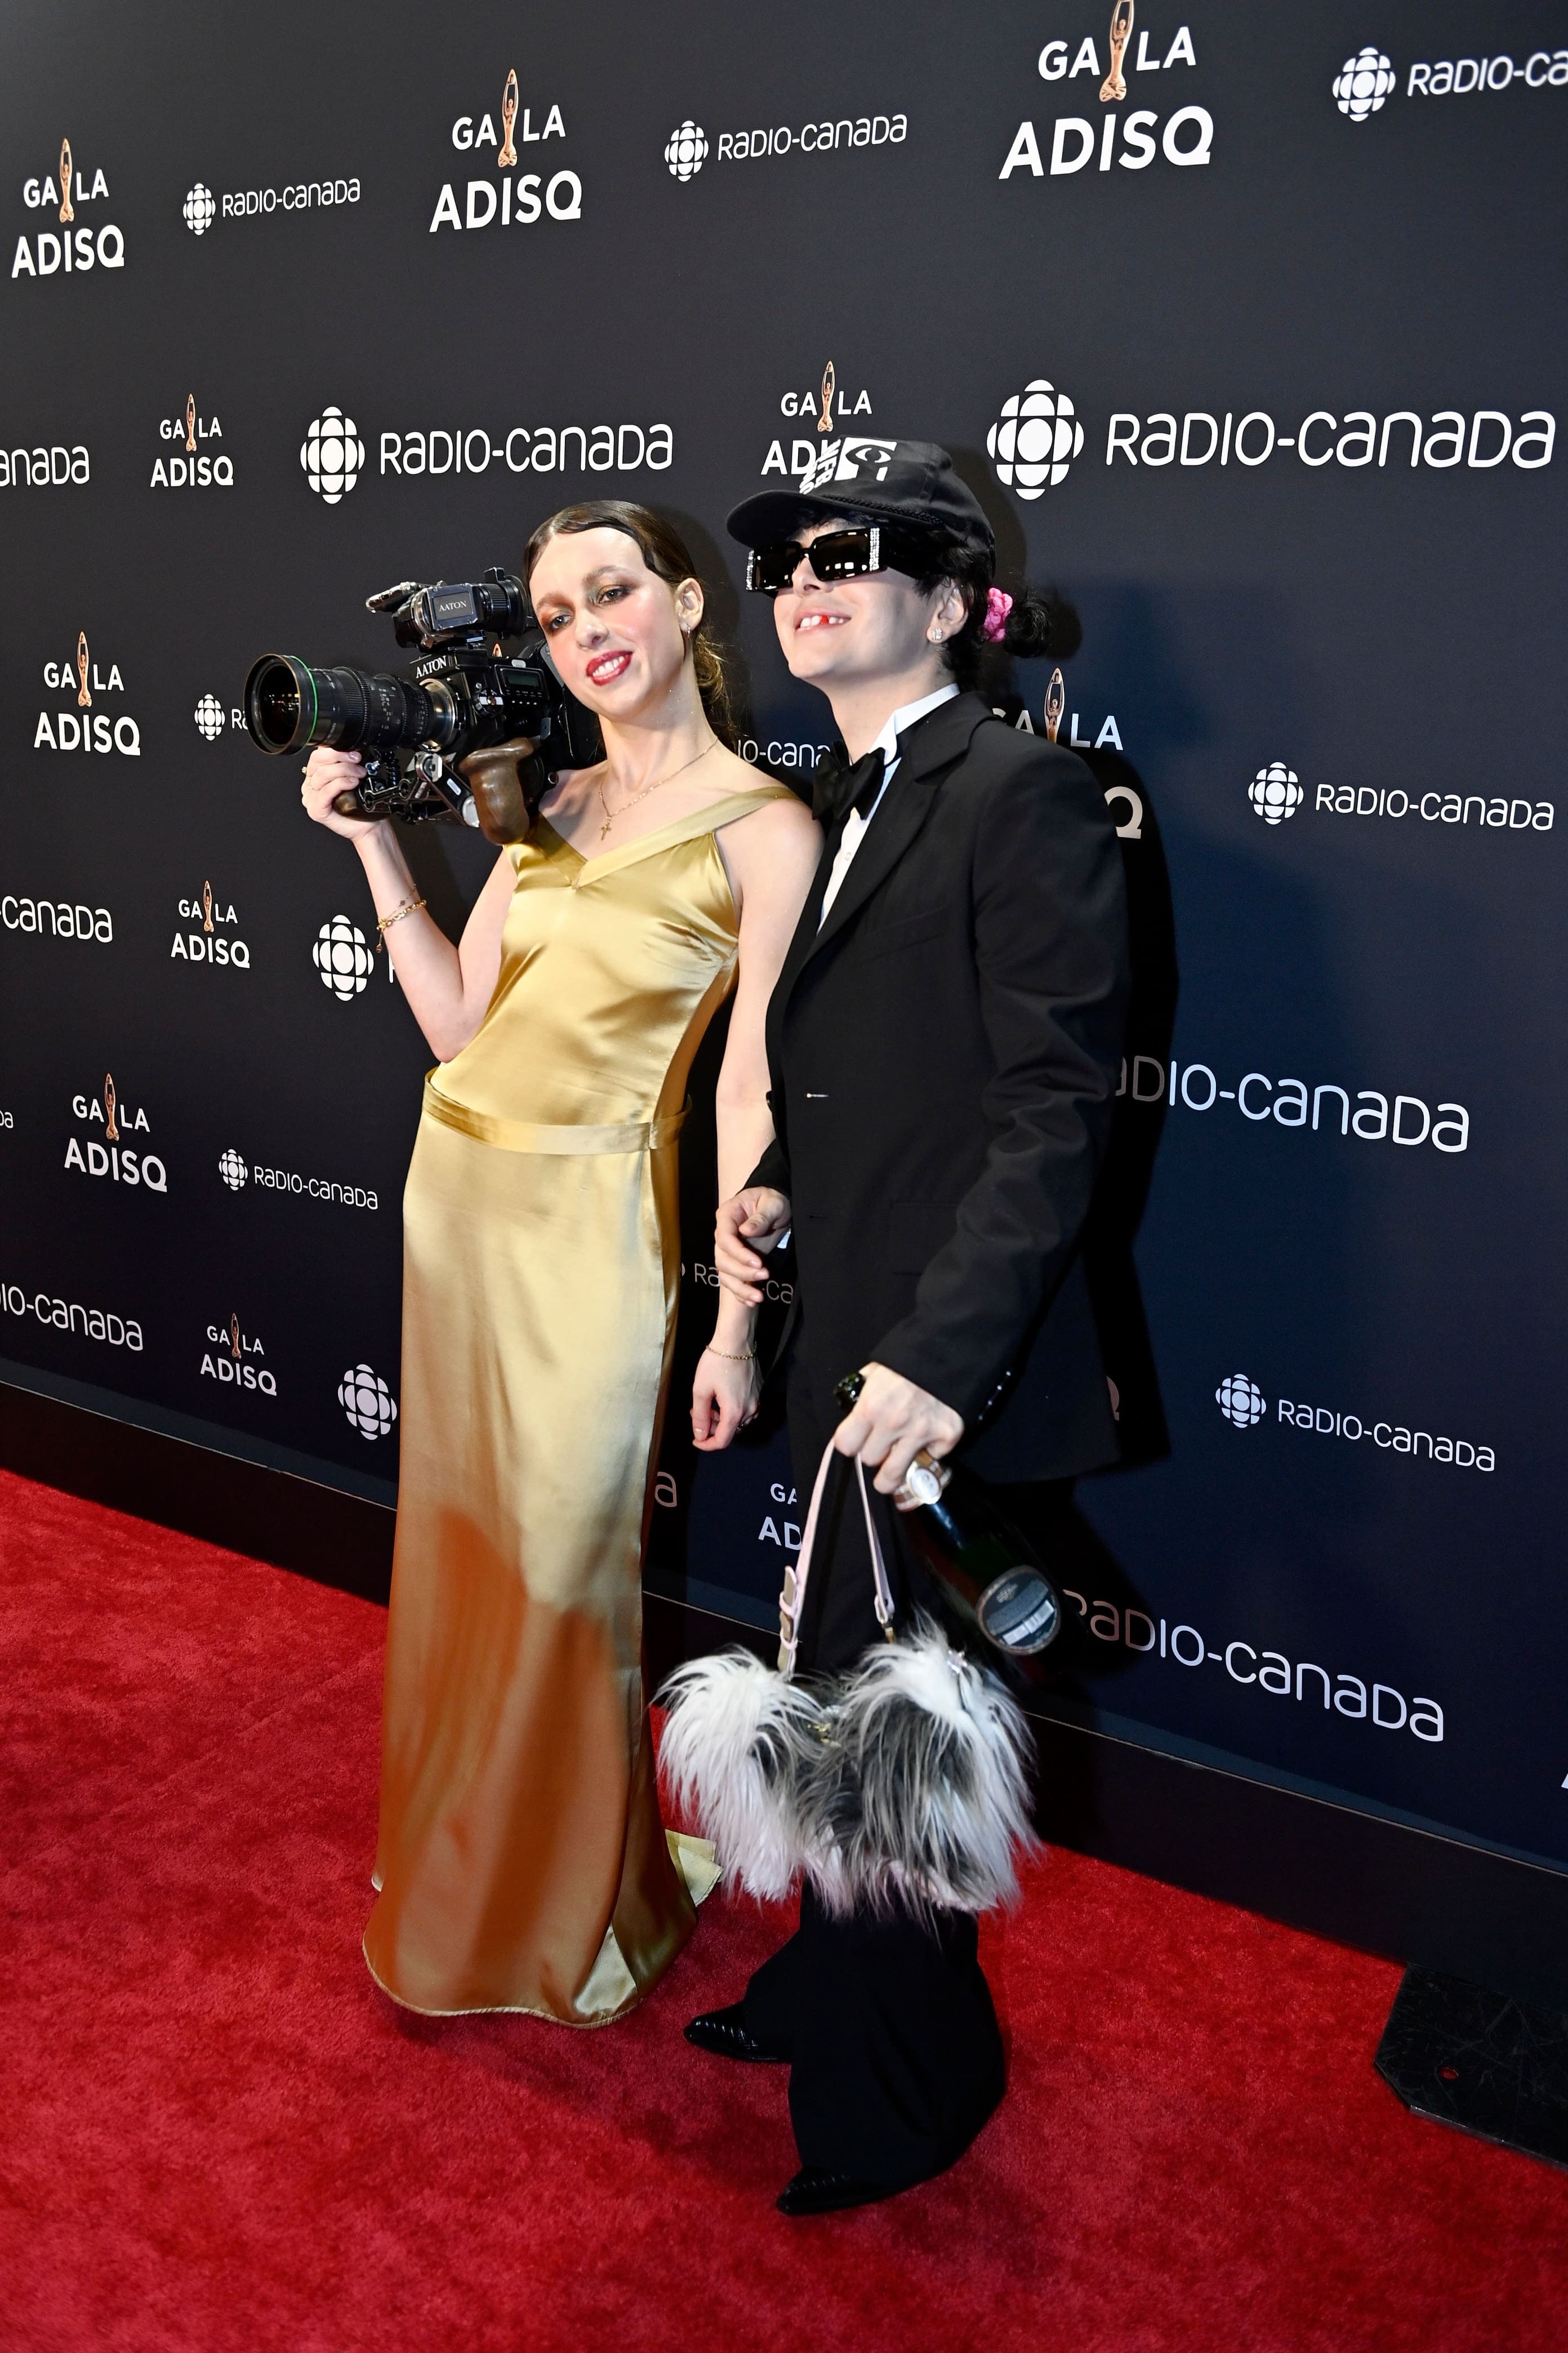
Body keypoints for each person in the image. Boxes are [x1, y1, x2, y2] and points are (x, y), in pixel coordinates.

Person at [301, 500, 819, 2025]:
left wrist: (735, 1319)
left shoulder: (765, 826)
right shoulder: (545, 804)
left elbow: (751, 1088)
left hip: (598, 1226)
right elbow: (463, 1025)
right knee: (465, 1550)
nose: (588, 628)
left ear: (682, 605)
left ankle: (567, 1903)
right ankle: (468, 1856)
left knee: (565, 1573)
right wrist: (379, 848)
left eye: (614, 590)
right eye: (556, 610)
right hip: (457, 1196)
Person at [688, 441, 1130, 2209]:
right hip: (845, 1329)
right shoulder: (857, 787)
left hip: (937, 1364)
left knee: (901, 1736)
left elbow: (1048, 1107)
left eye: (853, 555)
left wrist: (940, 1363)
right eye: (788, 560)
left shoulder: (1012, 785)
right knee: (832, 1685)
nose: (807, 578)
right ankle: (821, 1978)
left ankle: (909, 2092)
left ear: (951, 603)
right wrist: (783, 1175)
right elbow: (867, 1057)